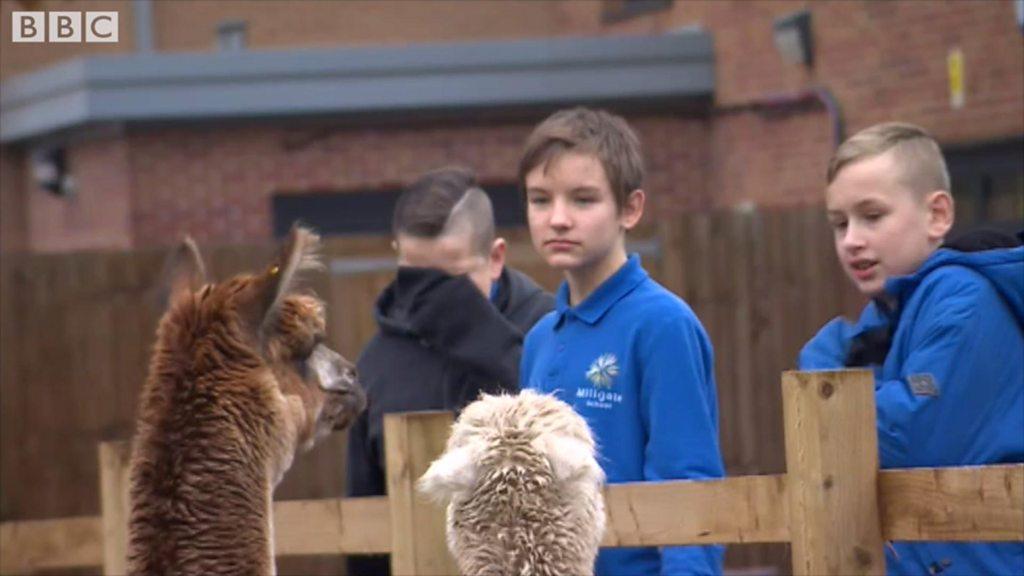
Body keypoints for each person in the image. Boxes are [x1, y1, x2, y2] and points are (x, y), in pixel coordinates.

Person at [799, 122, 1024, 575]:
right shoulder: (887, 315)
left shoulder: (964, 301)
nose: (852, 240)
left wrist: (823, 367)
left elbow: (903, 440)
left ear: (937, 215)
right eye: (839, 224)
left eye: (872, 216)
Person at [518, 107, 725, 576]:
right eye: (540, 200)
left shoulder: (663, 324)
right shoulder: (538, 340)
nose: (558, 219)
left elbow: (689, 485)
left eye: (583, 200)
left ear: (630, 209)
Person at [344, 166, 555, 575]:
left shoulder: (549, 333)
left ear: (495, 259)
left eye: (451, 280)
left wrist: (487, 342)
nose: (433, 297)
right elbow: (362, 522)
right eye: (418, 276)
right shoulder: (376, 366)